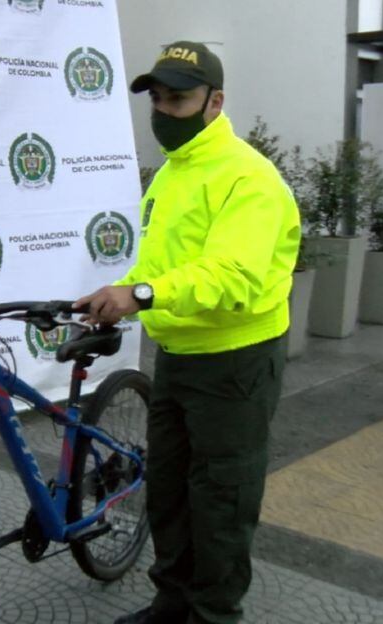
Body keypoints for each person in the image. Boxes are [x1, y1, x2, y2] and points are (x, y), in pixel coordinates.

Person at [75, 42, 301, 624]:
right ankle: (172, 603)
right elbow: (162, 267)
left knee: (221, 500)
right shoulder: (176, 173)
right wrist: (118, 294)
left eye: (177, 99)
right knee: (171, 490)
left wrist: (142, 295)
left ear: (215, 101)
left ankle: (212, 615)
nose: (163, 111)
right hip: (176, 354)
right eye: (157, 99)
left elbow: (233, 275)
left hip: (235, 362)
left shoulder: (249, 178)